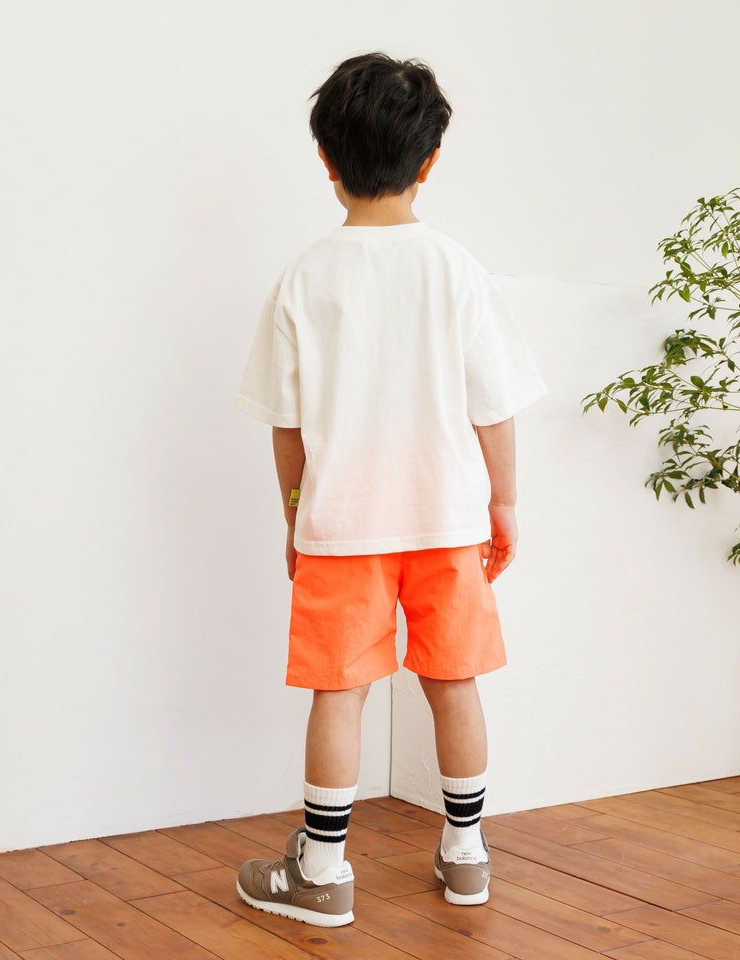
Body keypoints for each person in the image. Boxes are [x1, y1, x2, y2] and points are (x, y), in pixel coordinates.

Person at [234, 52, 546, 928]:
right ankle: (467, 854)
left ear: (325, 159)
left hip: (341, 525)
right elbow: (494, 408)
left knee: (340, 691)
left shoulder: (303, 277)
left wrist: (294, 518)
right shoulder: (457, 268)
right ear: (430, 161)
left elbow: (287, 426)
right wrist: (504, 503)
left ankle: (323, 871)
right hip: (447, 520)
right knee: (455, 681)